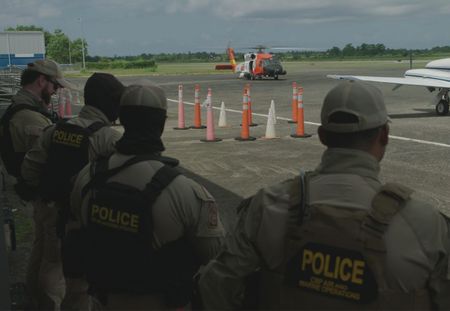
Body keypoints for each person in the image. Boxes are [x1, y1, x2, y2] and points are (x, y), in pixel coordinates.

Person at [198, 80, 450, 310]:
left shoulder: (268, 206)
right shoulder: (426, 225)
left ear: (322, 136)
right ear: (384, 135)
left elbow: (215, 285)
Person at [69, 83, 225, 309]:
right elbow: (215, 256)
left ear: (121, 118)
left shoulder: (88, 176)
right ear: (161, 124)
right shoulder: (184, 190)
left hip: (102, 301)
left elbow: (79, 221)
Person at [21, 72, 125, 310]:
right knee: (78, 283)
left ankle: (39, 303)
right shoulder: (107, 138)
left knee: (48, 263)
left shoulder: (56, 129)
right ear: (108, 102)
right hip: (82, 219)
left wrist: (44, 197)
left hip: (49, 208)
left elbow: (30, 168)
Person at [0, 59, 74, 309]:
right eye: (54, 85)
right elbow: (49, 160)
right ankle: (52, 303)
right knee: (54, 262)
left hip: (34, 194)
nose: (56, 91)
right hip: (44, 195)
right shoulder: (29, 117)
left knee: (40, 249)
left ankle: (34, 297)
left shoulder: (23, 109)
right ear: (41, 80)